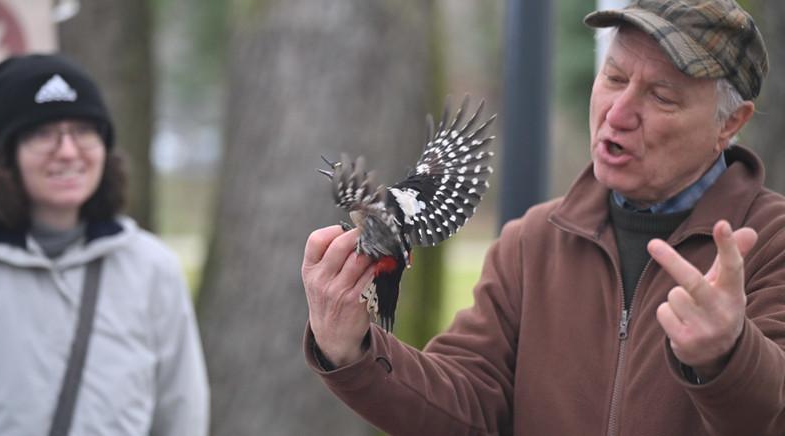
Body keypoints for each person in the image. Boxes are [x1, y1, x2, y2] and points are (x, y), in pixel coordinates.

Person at [301, 0, 785, 434]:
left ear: (731, 123)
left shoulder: (771, 242)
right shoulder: (532, 243)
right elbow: (467, 404)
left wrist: (730, 355)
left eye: (661, 96)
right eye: (614, 78)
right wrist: (353, 350)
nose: (618, 113)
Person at [0, 54, 209, 435]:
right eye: (42, 133)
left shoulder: (151, 268)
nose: (68, 151)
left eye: (84, 131)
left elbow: (181, 414)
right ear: (6, 155)